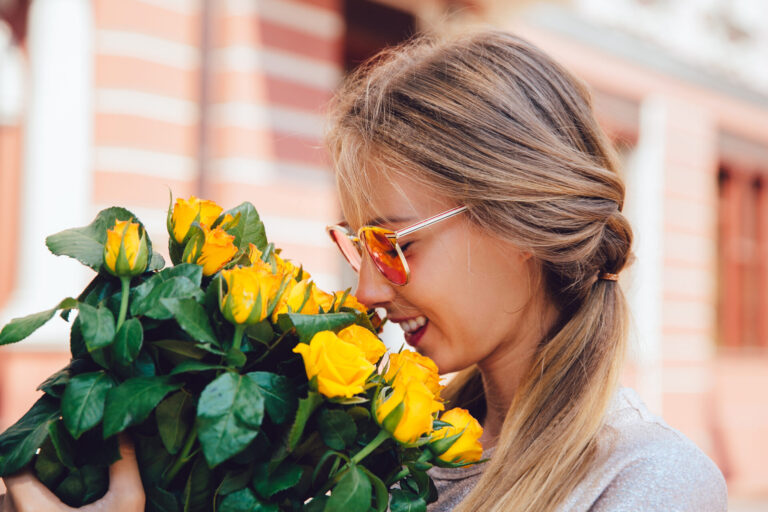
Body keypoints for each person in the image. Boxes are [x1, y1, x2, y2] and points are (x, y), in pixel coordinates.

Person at [2, 30, 727, 511]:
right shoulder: (386, 455)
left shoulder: (649, 483)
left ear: (520, 225)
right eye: (358, 247)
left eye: (395, 244)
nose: (366, 294)